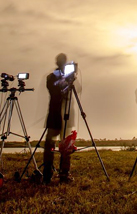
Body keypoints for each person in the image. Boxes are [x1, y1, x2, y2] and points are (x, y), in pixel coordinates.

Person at [43, 53, 77, 183]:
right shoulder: (51, 77)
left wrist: (71, 80)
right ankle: (48, 172)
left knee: (66, 144)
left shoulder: (67, 78)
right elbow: (55, 90)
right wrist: (65, 81)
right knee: (50, 143)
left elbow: (75, 90)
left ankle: (64, 173)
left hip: (66, 115)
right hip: (55, 115)